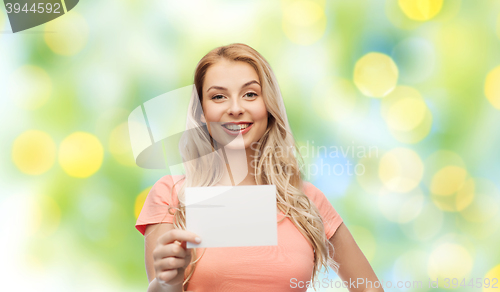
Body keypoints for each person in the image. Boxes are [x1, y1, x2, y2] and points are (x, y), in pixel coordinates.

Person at [136, 43, 383, 292]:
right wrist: (169, 282)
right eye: (218, 96)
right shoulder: (172, 195)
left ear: (269, 105)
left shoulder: (305, 200)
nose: (235, 108)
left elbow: (370, 288)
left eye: (250, 94)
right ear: (202, 111)